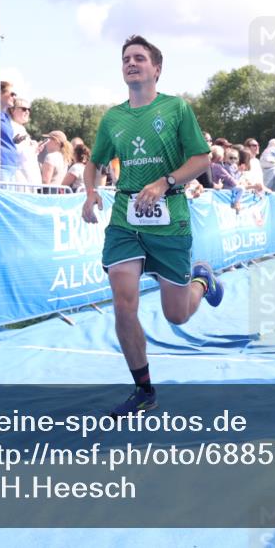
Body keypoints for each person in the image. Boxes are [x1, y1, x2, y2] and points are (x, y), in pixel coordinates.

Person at [81, 35, 222, 417]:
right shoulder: (113, 118)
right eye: (126, 58)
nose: (131, 63)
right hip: (126, 219)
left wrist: (165, 182)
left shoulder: (176, 108)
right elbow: (94, 162)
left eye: (139, 58)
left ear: (156, 69)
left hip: (169, 217)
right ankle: (143, 391)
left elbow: (202, 159)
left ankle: (202, 280)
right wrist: (91, 192)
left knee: (177, 314)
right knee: (124, 304)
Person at [10, 97, 42, 185]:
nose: (27, 112)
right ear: (13, 110)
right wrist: (34, 147)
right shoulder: (14, 127)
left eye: (29, 109)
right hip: (20, 177)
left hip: (26, 177)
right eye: (23, 109)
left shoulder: (20, 128)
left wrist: (36, 149)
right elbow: (20, 153)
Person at [0, 81, 18, 181]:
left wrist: (13, 141)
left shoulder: (5, 116)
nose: (14, 97)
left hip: (11, 165)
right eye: (12, 94)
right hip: (0, 165)